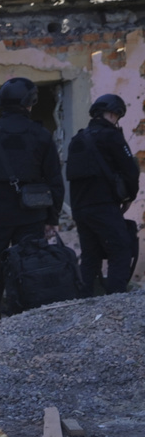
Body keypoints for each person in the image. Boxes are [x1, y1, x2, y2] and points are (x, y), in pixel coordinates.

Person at [0, 77, 64, 326]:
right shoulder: (41, 136)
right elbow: (55, 183)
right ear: (29, 104)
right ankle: (26, 322)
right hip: (32, 216)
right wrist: (52, 218)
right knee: (28, 269)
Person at [67, 94, 141, 294]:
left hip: (80, 207)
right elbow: (131, 171)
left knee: (90, 256)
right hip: (104, 205)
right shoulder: (111, 136)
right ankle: (115, 303)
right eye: (117, 116)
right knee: (120, 251)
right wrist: (129, 197)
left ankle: (84, 301)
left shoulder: (77, 139)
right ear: (111, 113)